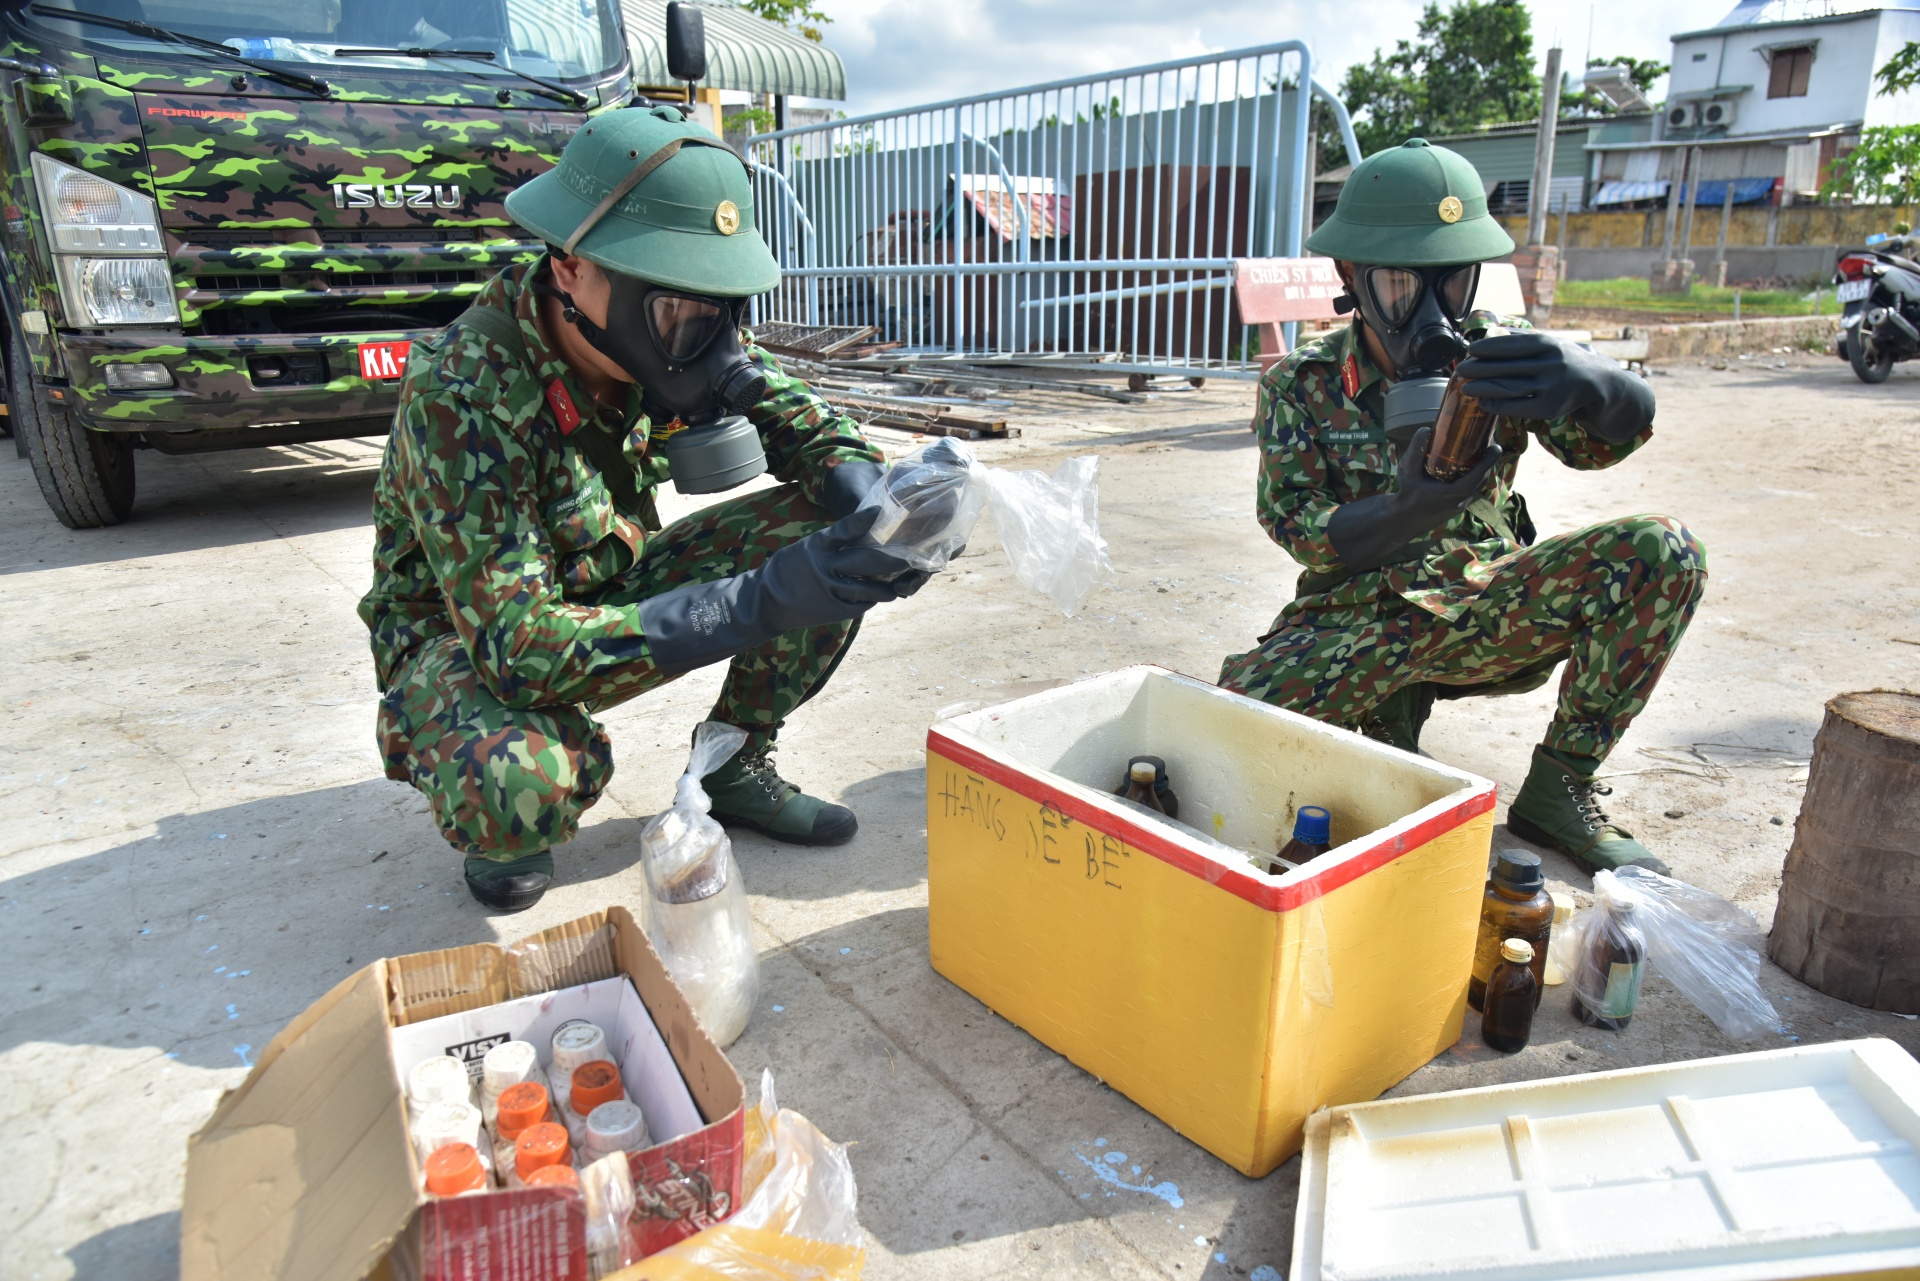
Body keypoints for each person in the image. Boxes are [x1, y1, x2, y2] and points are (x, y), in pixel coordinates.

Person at [359, 105, 930, 911]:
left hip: (601, 590)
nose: (710, 337)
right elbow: (518, 645)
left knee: (835, 536)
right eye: (680, 309)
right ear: (569, 268)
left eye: (724, 309)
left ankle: (735, 760)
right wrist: (760, 600)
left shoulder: (674, 327)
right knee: (517, 781)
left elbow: (812, 430)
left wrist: (879, 502)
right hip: (472, 641)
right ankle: (487, 792)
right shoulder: (467, 390)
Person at [1218, 139, 1707, 877]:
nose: (1431, 313)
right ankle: (1388, 736)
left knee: (1664, 550)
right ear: (1350, 277)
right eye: (1400, 286)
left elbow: (1599, 447)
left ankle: (1561, 785)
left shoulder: (1499, 359)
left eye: (1452, 286)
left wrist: (1600, 385)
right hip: (1357, 620)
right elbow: (1298, 526)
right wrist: (1405, 509)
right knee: (1232, 718)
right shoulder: (1301, 383)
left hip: (1487, 607)